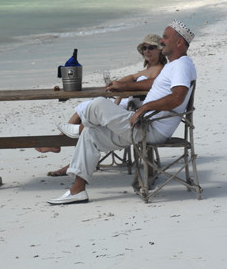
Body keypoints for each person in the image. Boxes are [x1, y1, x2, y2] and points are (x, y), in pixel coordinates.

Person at [48, 20, 197, 205]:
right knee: (90, 134)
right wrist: (124, 86)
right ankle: (77, 191)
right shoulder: (173, 66)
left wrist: (144, 107)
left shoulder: (181, 65)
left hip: (149, 129)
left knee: (97, 104)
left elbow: (177, 98)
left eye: (166, 37)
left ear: (179, 42)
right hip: (141, 126)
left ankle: (77, 128)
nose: (162, 41)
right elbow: (152, 84)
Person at [38, 34, 167, 176]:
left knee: (89, 113)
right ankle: (64, 146)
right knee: (87, 107)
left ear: (160, 50)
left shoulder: (160, 69)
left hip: (136, 110)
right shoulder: (149, 69)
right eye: (144, 48)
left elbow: (152, 86)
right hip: (129, 104)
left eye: (151, 48)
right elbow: (130, 78)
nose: (146, 51)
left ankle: (64, 147)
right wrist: (120, 85)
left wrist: (122, 89)